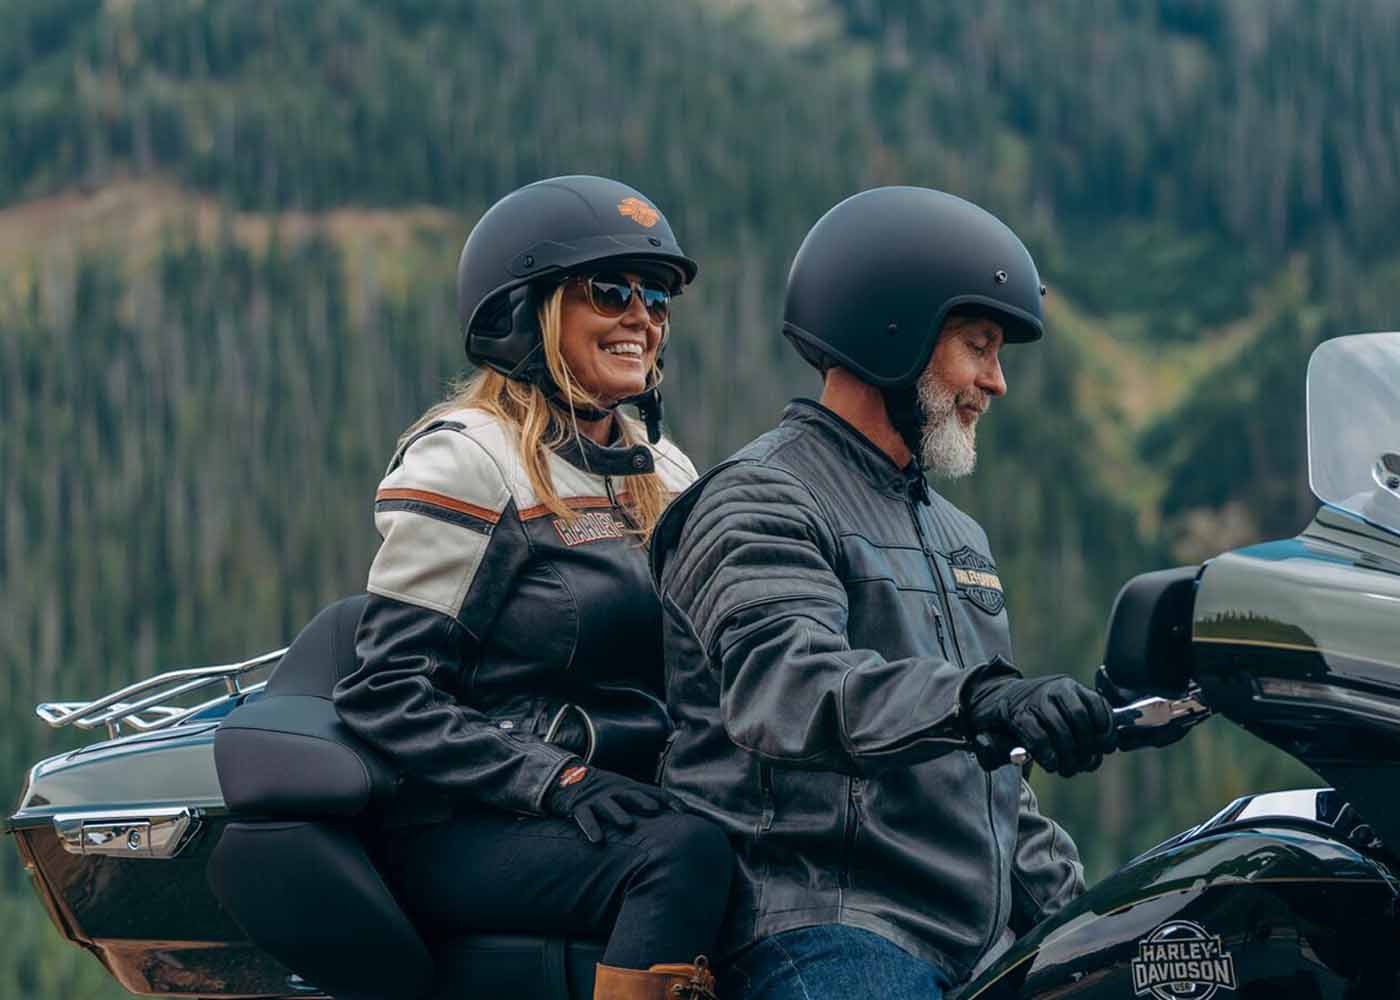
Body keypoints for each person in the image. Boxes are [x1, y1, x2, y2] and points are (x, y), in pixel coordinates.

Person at [650, 186, 1118, 1000]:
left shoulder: (957, 537)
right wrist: (986, 701)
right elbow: (789, 687)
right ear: (891, 330)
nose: (996, 381)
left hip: (975, 937)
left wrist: (1097, 921)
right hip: (829, 923)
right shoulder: (761, 497)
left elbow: (995, 781)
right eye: (979, 345)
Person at [334, 175, 730, 1000]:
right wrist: (552, 779)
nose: (643, 317)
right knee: (682, 854)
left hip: (628, 798)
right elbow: (384, 693)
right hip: (473, 821)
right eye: (610, 290)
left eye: (657, 297)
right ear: (526, 312)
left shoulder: (666, 469)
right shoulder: (469, 460)